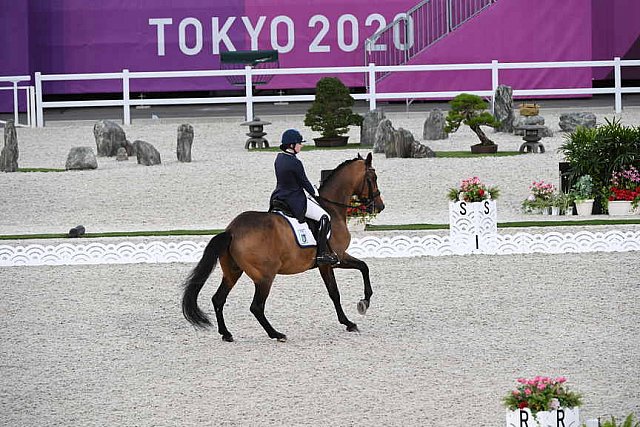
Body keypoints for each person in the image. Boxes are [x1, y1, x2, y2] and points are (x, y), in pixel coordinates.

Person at [270, 129, 339, 265]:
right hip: (294, 198)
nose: (301, 145)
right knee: (324, 217)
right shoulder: (295, 163)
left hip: (279, 195)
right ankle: (321, 254)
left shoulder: (279, 158)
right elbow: (304, 182)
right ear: (291, 145)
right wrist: (316, 192)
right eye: (299, 143)